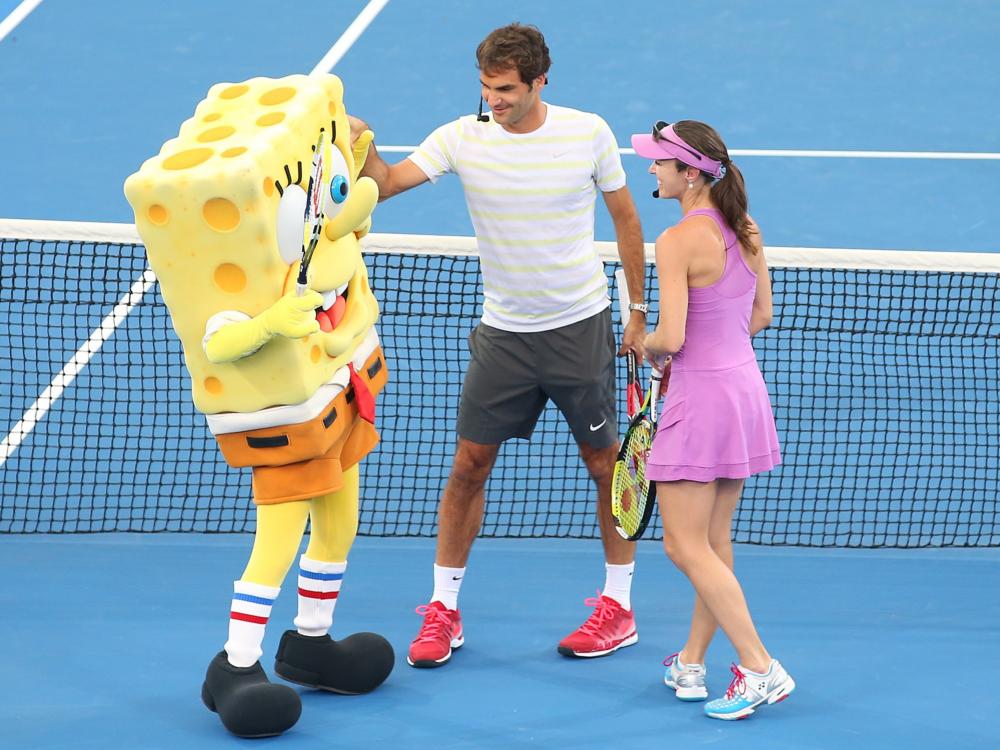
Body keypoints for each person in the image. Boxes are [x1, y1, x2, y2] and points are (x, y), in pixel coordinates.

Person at [350, 22, 648, 667]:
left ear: (542, 80)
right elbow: (387, 183)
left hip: (578, 326)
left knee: (606, 468)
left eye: (508, 88)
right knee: (467, 467)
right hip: (503, 336)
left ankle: (618, 607)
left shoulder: (586, 132)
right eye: (486, 87)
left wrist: (638, 311)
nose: (495, 100)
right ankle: (443, 610)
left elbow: (627, 219)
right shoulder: (462, 136)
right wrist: (356, 139)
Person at [630, 120, 795, 720]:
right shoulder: (747, 229)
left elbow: (671, 336)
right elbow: (760, 315)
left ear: (690, 172)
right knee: (712, 541)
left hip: (700, 403)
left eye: (659, 163)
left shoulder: (677, 241)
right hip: (744, 392)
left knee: (682, 545)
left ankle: (759, 667)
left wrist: (641, 343)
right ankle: (691, 662)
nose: (651, 169)